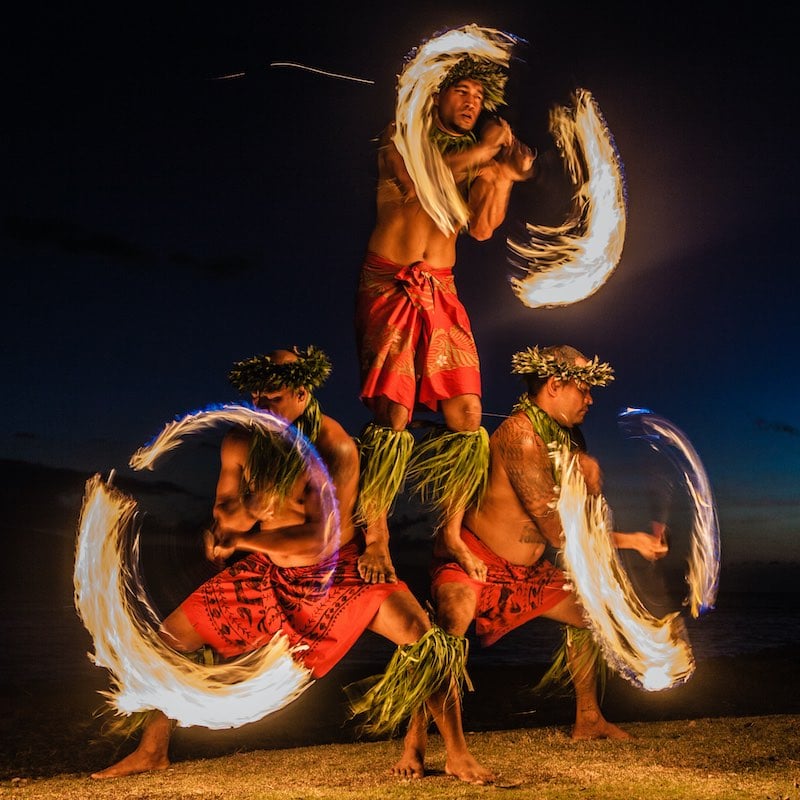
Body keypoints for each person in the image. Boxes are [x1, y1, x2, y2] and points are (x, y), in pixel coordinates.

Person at [92, 346, 494, 784]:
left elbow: (317, 541)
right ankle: (152, 750)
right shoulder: (241, 441)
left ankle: (455, 753)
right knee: (168, 640)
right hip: (269, 574)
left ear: (303, 392)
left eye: (274, 397)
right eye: (257, 398)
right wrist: (249, 508)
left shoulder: (334, 447)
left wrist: (243, 536)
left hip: (339, 574)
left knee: (425, 640)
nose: (261, 407)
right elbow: (223, 511)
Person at [392, 345, 669, 778]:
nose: (591, 399)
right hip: (476, 563)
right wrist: (630, 540)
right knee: (448, 633)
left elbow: (574, 514)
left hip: (526, 573)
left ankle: (589, 719)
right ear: (554, 386)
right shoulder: (522, 437)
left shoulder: (564, 439)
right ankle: (429, 743)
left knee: (588, 615)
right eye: (584, 388)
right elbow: (557, 531)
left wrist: (590, 483)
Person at [355, 26, 536, 587]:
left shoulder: (473, 159)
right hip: (390, 287)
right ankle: (378, 533)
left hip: (443, 290)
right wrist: (487, 150)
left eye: (480, 98)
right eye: (463, 92)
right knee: (395, 415)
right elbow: (421, 181)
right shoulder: (402, 137)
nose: (472, 103)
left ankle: (450, 532)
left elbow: (481, 227)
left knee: (467, 416)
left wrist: (503, 175)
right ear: (435, 95)